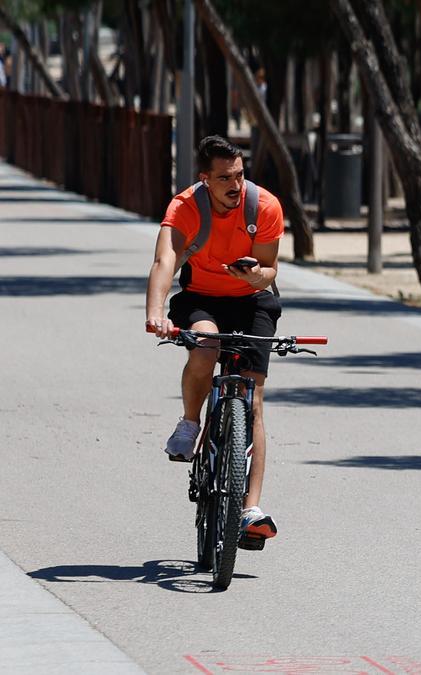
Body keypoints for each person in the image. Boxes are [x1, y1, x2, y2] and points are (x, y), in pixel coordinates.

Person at [145, 135, 285, 545]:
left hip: (253, 300)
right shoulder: (185, 208)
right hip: (201, 299)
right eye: (224, 178)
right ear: (204, 179)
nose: (235, 186)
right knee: (206, 344)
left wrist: (253, 276)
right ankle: (190, 423)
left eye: (239, 175)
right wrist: (155, 313)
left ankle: (250, 510)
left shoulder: (265, 207)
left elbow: (270, 270)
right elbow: (164, 261)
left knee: (253, 399)